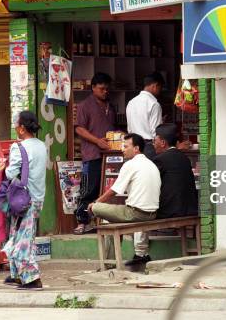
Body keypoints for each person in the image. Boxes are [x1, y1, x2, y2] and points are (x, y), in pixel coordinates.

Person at [126, 123, 199, 266]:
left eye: (155, 140)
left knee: (141, 210)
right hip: (190, 209)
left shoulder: (161, 160)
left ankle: (140, 254)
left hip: (172, 210)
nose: (153, 144)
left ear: (163, 142)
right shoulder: (184, 158)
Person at [0, 111, 47, 290]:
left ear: (22, 128)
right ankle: (17, 274)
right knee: (19, 234)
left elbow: (11, 173)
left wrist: (5, 164)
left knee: (23, 239)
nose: (15, 128)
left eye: (16, 125)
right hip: (37, 197)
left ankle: (32, 278)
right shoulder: (42, 146)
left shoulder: (18, 147)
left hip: (23, 198)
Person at [88, 133, 161, 260]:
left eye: (126, 146)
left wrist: (95, 203)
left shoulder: (130, 164)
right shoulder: (151, 164)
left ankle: (110, 263)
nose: (122, 149)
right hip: (152, 213)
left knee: (101, 213)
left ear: (136, 149)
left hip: (136, 213)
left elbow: (114, 190)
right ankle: (140, 253)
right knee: (114, 214)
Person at [73, 72, 116, 235]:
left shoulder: (110, 107)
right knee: (88, 189)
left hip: (109, 155)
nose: (105, 91)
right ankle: (82, 222)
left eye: (107, 89)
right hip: (92, 155)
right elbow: (79, 129)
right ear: (93, 88)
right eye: (101, 89)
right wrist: (97, 141)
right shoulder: (85, 105)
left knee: (105, 190)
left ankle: (99, 221)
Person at [126, 72, 165, 159]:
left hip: (133, 146)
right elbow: (156, 132)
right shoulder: (154, 104)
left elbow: (129, 128)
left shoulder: (131, 102)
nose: (160, 91)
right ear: (155, 85)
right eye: (160, 88)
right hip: (148, 147)